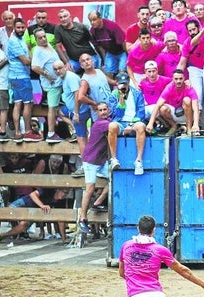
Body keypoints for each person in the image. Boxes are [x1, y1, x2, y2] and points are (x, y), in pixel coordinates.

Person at [77, 102, 110, 234]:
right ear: (97, 112)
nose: (102, 112)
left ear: (108, 110)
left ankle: (98, 202)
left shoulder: (108, 121)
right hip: (91, 160)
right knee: (90, 187)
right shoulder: (100, 124)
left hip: (101, 160)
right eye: (100, 110)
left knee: (115, 178)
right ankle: (82, 218)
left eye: (104, 109)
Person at [107, 72, 147, 176]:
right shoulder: (113, 95)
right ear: (117, 83)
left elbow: (141, 112)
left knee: (141, 126)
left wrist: (131, 125)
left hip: (133, 122)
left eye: (125, 83)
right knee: (111, 126)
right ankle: (114, 159)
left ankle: (139, 161)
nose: (124, 86)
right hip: (120, 122)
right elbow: (114, 114)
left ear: (129, 82)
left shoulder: (137, 93)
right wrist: (121, 101)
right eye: (121, 84)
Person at [145, 69, 200, 136]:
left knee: (187, 100)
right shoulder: (169, 87)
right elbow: (158, 106)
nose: (178, 81)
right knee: (163, 108)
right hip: (173, 113)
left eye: (180, 78)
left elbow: (196, 108)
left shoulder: (189, 87)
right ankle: (174, 126)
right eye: (176, 79)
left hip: (186, 114)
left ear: (184, 78)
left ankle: (189, 129)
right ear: (173, 79)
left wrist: (196, 124)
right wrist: (150, 123)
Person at [31, 28, 63, 140]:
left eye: (44, 36)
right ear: (36, 40)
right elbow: (34, 67)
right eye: (40, 38)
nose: (43, 39)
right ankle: (50, 133)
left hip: (59, 82)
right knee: (52, 108)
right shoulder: (38, 50)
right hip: (52, 84)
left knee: (56, 108)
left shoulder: (48, 45)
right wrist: (47, 75)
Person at [7, 18, 33, 142]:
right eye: (18, 27)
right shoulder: (13, 41)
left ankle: (18, 133)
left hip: (15, 77)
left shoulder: (21, 39)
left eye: (23, 27)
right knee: (28, 103)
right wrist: (38, 60)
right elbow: (26, 61)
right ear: (13, 27)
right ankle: (27, 132)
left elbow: (28, 54)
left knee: (17, 104)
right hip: (21, 77)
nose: (21, 30)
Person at [54, 9, 100, 73]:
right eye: (61, 17)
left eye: (65, 16)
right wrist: (66, 62)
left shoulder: (81, 27)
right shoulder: (58, 29)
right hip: (74, 60)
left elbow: (92, 41)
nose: (63, 19)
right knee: (67, 73)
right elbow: (58, 47)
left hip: (89, 57)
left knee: (90, 73)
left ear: (70, 17)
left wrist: (101, 58)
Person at [88, 11, 127, 79]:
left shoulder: (112, 26)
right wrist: (104, 60)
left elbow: (123, 43)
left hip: (121, 52)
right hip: (110, 53)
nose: (92, 23)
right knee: (108, 73)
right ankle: (111, 89)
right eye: (90, 20)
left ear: (100, 18)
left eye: (94, 19)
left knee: (122, 72)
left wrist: (128, 56)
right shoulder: (92, 31)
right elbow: (100, 48)